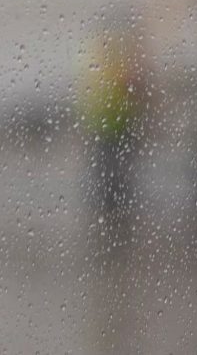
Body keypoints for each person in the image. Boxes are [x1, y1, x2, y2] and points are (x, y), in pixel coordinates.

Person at [77, 13, 146, 246]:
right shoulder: (116, 51)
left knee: (108, 171)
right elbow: (127, 82)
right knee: (114, 172)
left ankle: (108, 212)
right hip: (113, 123)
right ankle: (113, 213)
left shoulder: (95, 49)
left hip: (102, 122)